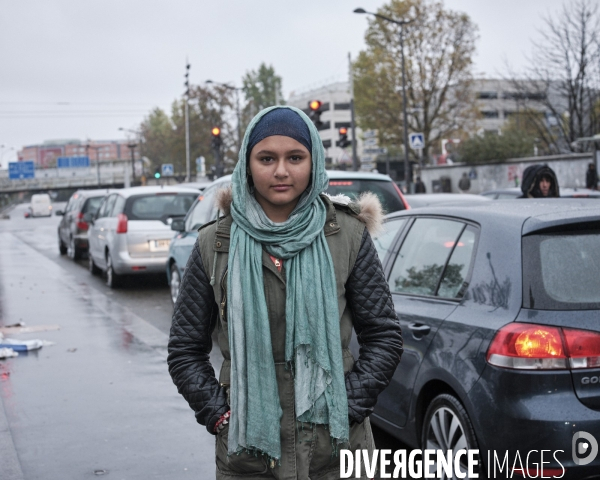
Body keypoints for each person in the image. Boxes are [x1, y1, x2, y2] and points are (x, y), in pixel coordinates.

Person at [168, 106, 403, 480]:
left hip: (338, 452)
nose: (281, 171)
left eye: (295, 157)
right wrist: (219, 415)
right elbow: (184, 349)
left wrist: (350, 405)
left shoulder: (347, 234)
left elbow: (384, 337)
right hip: (248, 454)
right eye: (267, 158)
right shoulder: (214, 243)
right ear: (248, 164)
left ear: (314, 162)